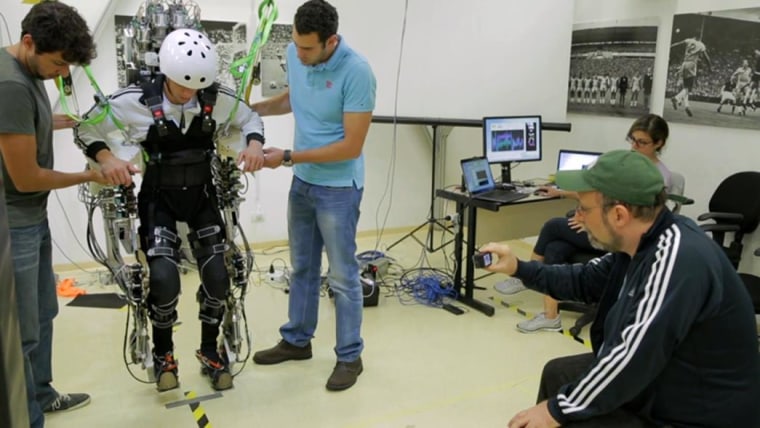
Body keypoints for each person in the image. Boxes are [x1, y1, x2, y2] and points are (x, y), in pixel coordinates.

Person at [480, 150, 760, 427]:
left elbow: (632, 357)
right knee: (559, 373)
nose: (578, 216)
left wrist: (555, 411)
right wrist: (518, 267)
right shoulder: (637, 245)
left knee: (567, 415)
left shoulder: (679, 258)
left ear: (619, 215)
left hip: (698, 412)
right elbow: (583, 280)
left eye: (584, 208)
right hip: (664, 379)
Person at [75, 28, 266, 392]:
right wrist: (107, 156)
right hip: (157, 199)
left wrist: (254, 144)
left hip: (201, 197)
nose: (188, 94)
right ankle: (164, 354)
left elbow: (251, 118)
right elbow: (87, 128)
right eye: (181, 86)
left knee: (218, 279)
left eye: (196, 87)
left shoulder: (215, 98)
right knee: (163, 281)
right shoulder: (134, 100)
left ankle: (211, 351)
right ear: (165, 73)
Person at [249, 0, 376, 392]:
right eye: (296, 45)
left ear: (331, 41)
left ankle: (349, 356)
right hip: (303, 184)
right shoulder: (296, 51)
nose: (298, 54)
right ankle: (297, 340)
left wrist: (286, 156)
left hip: (338, 189)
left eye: (307, 49)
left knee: (342, 276)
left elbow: (351, 146)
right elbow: (292, 99)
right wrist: (249, 111)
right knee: (302, 267)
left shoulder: (357, 72)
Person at [0, 1, 106, 426]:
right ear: (29, 42)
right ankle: (29, 418)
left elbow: (28, 124)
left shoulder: (28, 70)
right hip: (16, 222)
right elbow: (26, 178)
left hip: (32, 218)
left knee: (44, 313)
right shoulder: (10, 85)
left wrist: (67, 121)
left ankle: (42, 396)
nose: (62, 73)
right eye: (59, 63)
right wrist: (89, 174)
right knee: (24, 331)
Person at [495, 114, 672, 334]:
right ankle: (550, 315)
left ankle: (540, 301)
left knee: (553, 226)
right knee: (555, 248)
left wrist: (588, 221)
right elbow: (598, 197)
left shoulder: (655, 181)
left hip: (618, 235)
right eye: (632, 140)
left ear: (659, 143)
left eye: (641, 142)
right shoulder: (625, 168)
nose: (634, 146)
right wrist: (518, 268)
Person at [670, 34, 711, 117]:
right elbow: (706, 57)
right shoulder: (701, 44)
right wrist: (710, 66)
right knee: (689, 88)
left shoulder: (689, 40)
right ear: (700, 37)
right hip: (692, 65)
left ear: (694, 36)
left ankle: (687, 106)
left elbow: (679, 43)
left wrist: (670, 46)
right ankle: (676, 98)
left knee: (686, 88)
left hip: (684, 64)